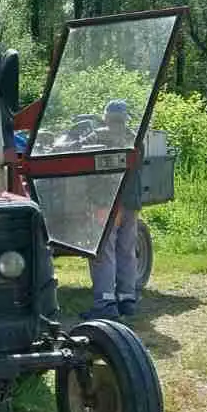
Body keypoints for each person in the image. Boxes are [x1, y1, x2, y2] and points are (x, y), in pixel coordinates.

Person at [83, 100, 144, 320]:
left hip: (106, 202)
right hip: (131, 201)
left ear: (106, 117)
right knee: (126, 249)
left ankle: (105, 302)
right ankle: (127, 300)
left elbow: (78, 152)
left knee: (103, 250)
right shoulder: (135, 137)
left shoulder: (98, 136)